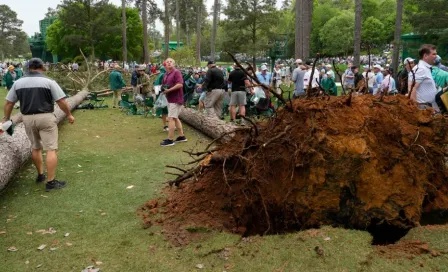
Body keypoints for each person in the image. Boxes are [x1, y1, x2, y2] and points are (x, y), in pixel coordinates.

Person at [1, 58, 75, 191]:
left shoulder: (18, 83)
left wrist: (6, 118)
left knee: (35, 147)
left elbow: (9, 103)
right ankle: (51, 182)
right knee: (51, 149)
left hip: (27, 118)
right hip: (46, 117)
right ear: (42, 67)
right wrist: (69, 114)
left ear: (28, 68)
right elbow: (61, 101)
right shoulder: (49, 82)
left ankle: (40, 175)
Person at [160, 58, 187, 147]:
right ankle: (182, 136)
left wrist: (168, 90)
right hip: (169, 99)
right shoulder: (165, 75)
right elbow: (164, 86)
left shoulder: (176, 72)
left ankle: (170, 139)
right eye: (167, 62)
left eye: (170, 61)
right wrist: (161, 90)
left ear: (174, 64)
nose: (169, 63)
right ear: (165, 64)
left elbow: (180, 84)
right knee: (175, 118)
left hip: (176, 98)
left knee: (171, 118)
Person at [408, 44, 439, 110]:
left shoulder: (425, 68)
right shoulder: (421, 69)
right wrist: (415, 110)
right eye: (434, 54)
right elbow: (412, 89)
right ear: (425, 56)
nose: (436, 56)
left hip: (428, 107)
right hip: (422, 108)